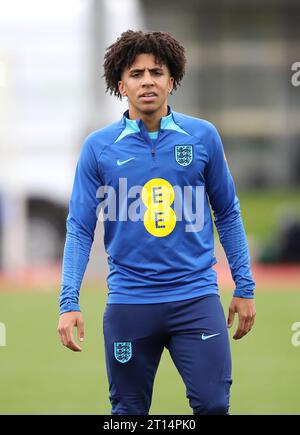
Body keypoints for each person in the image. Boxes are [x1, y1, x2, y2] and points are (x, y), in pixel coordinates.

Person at [57, 30, 256, 415]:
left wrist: (244, 286)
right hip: (129, 305)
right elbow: (80, 227)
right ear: (121, 85)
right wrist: (69, 302)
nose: (147, 80)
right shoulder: (98, 147)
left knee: (214, 406)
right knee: (129, 414)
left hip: (196, 300)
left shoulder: (203, 137)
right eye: (136, 73)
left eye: (156, 72)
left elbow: (228, 213)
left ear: (172, 80)